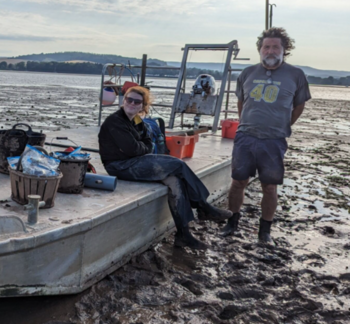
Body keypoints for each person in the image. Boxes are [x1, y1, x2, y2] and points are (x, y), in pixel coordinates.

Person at [98, 85, 232, 250]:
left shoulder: (137, 121)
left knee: (175, 181)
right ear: (123, 100)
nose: (132, 103)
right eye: (128, 99)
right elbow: (134, 149)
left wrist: (142, 146)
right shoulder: (115, 121)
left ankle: (183, 234)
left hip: (136, 161)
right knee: (178, 164)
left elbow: (147, 142)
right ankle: (203, 206)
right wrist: (143, 147)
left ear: (143, 106)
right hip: (119, 166)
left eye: (137, 101)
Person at [221, 27, 311, 243]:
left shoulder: (296, 74)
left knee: (269, 187)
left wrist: (283, 125)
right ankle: (232, 222)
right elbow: (242, 102)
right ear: (260, 50)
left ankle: (265, 231)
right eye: (266, 47)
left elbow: (299, 105)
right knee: (238, 182)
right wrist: (245, 123)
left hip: (274, 140)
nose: (270, 51)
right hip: (245, 137)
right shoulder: (247, 73)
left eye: (275, 47)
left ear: (284, 50)